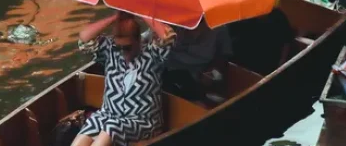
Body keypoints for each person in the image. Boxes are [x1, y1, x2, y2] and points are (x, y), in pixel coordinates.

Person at [72, 12, 175, 146]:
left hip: (143, 123)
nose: (122, 52)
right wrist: (115, 17)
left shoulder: (151, 56)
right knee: (94, 122)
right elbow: (84, 38)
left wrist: (142, 12)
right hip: (109, 116)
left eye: (126, 48)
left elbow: (168, 37)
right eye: (118, 47)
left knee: (112, 127)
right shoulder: (110, 51)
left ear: (138, 40)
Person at [163, 25, 232, 103]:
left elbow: (224, 55)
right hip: (166, 66)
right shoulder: (173, 22)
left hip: (197, 73)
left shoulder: (219, 28)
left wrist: (213, 70)